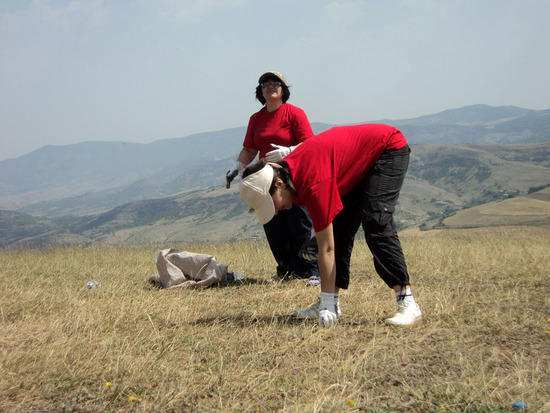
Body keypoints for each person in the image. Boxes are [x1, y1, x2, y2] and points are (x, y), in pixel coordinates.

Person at [239, 123, 422, 327]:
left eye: (272, 203)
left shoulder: (312, 182)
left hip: (387, 149)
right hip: (358, 163)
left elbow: (327, 249)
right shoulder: (290, 178)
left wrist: (325, 300)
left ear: (279, 184)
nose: (275, 211)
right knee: (340, 230)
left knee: (376, 221)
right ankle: (331, 303)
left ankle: (407, 302)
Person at [226, 71, 318, 281]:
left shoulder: (294, 113)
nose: (270, 86)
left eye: (275, 83)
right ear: (260, 91)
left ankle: (310, 271)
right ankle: (285, 270)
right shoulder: (256, 118)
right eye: (265, 84)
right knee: (273, 224)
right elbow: (249, 149)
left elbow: (311, 144)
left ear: (283, 89)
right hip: (265, 178)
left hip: (291, 178)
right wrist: (236, 167)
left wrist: (289, 150)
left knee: (299, 223)